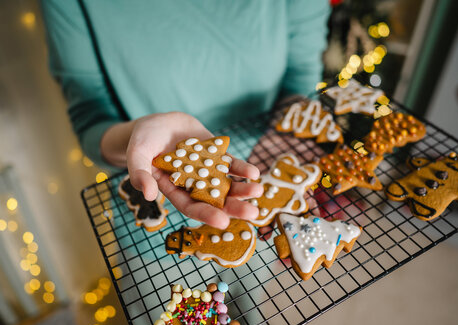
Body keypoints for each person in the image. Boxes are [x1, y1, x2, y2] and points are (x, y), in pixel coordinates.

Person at [41, 0, 330, 229]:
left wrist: (285, 137)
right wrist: (136, 135)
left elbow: (300, 76)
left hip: (260, 190)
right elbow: (89, 117)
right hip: (155, 206)